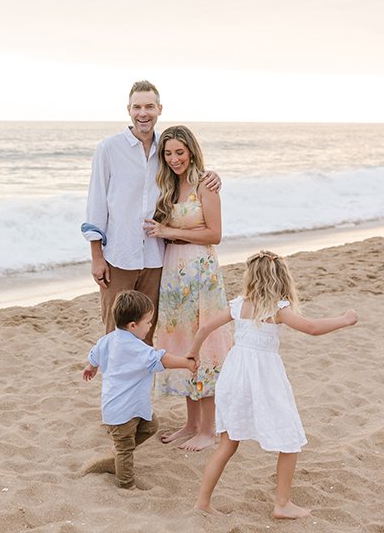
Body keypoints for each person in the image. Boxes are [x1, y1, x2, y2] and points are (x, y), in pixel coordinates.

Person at [186, 250, 358, 519]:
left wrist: (193, 354)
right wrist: (345, 319)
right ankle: (282, 504)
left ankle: (202, 502)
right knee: (289, 439)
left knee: (227, 444)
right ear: (281, 279)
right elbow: (311, 328)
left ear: (251, 277)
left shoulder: (238, 305)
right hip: (265, 380)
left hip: (234, 378)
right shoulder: (277, 309)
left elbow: (204, 328)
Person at [82, 80, 220, 345]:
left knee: (146, 333)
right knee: (115, 334)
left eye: (149, 107)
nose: (142, 113)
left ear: (159, 109)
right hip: (119, 257)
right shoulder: (109, 149)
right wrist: (96, 257)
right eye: (137, 107)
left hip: (156, 259)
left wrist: (212, 175)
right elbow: (96, 203)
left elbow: (186, 175)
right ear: (128, 110)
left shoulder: (165, 150)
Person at [143, 126, 232, 451]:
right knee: (182, 343)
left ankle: (208, 429)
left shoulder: (205, 184)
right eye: (168, 153)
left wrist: (168, 231)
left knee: (204, 343)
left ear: (191, 151)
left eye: (179, 152)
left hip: (200, 271)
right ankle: (191, 424)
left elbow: (214, 234)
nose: (174, 159)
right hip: (173, 272)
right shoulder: (167, 186)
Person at [82, 290, 196, 490]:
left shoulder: (108, 339)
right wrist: (186, 363)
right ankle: (127, 485)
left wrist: (91, 367)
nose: (150, 326)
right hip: (121, 412)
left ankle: (117, 452)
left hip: (131, 406)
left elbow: (94, 355)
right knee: (125, 450)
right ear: (133, 325)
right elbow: (161, 359)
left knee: (151, 426)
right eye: (148, 322)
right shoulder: (137, 349)